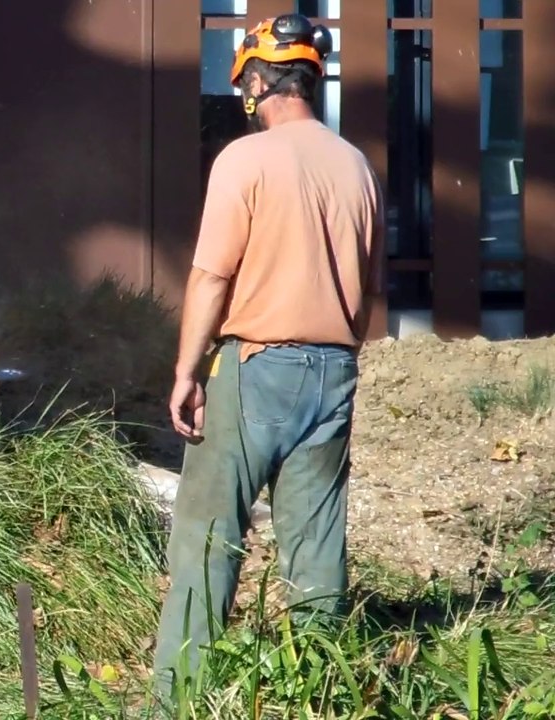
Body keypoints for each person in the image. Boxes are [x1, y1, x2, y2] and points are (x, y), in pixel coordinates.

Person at [150, 14, 385, 700]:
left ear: (257, 82)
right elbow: (367, 293)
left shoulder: (244, 160)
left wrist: (186, 371)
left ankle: (180, 703)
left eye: (244, 87)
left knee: (206, 537)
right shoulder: (356, 166)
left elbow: (211, 277)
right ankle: (318, 697)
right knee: (315, 552)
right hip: (334, 369)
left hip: (254, 368)